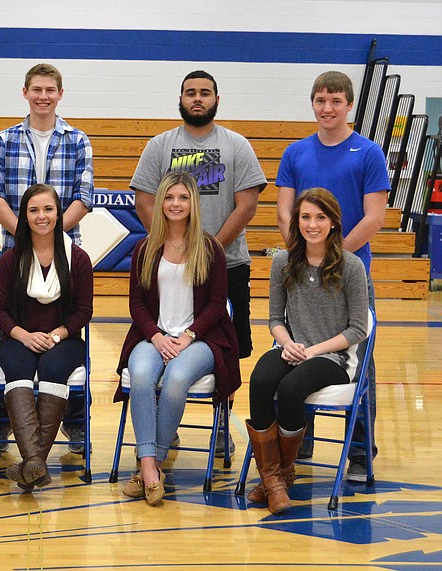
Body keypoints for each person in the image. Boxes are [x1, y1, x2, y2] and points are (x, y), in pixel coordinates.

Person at [130, 70, 266, 455]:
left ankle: (222, 420)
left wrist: (207, 252)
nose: (197, 99)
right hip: (168, 264)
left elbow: (248, 204)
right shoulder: (159, 146)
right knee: (163, 342)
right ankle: (163, 428)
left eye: (205, 93)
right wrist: (170, 245)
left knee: (230, 346)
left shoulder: (237, 145)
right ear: (180, 99)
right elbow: (145, 201)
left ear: (217, 100)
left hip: (227, 263)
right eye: (190, 93)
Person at [276, 71, 389, 481]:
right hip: (302, 275)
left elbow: (375, 216)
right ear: (312, 103)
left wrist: (332, 257)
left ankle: (360, 451)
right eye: (320, 100)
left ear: (349, 105)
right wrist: (306, 255)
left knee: (358, 359)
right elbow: (285, 212)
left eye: (335, 101)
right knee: (301, 347)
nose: (327, 108)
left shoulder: (368, 152)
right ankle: (297, 437)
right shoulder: (296, 153)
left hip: (350, 273)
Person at [0, 63, 94, 453]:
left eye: (50, 90)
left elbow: (84, 197)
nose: (43, 96)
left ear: (60, 94)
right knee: (11, 334)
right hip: (17, 249)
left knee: (66, 334)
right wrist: (28, 235)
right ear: (25, 92)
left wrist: (50, 232)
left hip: (64, 252)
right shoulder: (5, 139)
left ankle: (76, 423)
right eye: (37, 90)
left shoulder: (78, 139)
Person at [116, 171, 241, 506]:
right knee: (140, 375)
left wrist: (189, 335)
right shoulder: (145, 248)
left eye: (183, 197)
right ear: (160, 202)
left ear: (193, 203)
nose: (175, 204)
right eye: (169, 197)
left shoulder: (210, 247)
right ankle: (150, 466)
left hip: (200, 340)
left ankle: (149, 469)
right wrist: (156, 337)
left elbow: (217, 304)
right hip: (154, 337)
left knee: (176, 378)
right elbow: (136, 304)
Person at [247, 188, 369, 514]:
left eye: (320, 217)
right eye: (305, 217)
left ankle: (278, 477)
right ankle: (275, 479)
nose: (312, 225)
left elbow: (358, 329)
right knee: (260, 380)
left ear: (333, 223)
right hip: (292, 347)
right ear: (296, 221)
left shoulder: (352, 266)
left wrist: (312, 350)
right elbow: (275, 318)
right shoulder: (282, 261)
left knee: (291, 388)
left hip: (334, 356)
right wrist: (287, 343)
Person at [0, 184, 94, 491]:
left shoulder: (79, 259)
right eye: (33, 210)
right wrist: (23, 335)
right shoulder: (10, 260)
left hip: (64, 341)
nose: (41, 216)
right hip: (18, 339)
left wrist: (59, 334)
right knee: (17, 370)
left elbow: (83, 311)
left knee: (52, 370)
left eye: (48, 209)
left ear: (59, 214)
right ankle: (36, 464)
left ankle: (31, 464)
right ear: (24, 216)